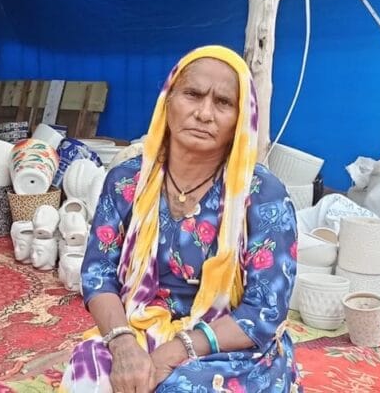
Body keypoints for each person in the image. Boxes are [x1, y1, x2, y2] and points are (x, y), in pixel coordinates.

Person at [60, 45, 299, 392]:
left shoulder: (263, 194)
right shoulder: (128, 181)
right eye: (193, 94)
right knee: (88, 372)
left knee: (178, 387)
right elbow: (98, 274)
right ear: (168, 100)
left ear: (240, 119)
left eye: (223, 103)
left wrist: (176, 351)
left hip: (228, 346)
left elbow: (264, 311)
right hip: (139, 330)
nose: (204, 113)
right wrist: (124, 345)